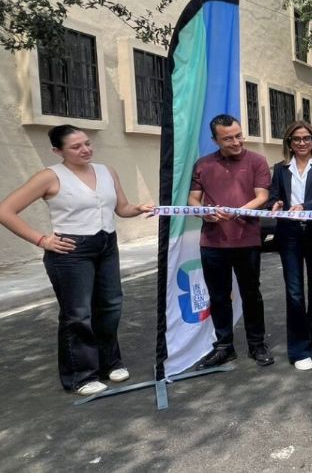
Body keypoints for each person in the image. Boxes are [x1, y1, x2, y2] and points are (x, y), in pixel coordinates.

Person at [0, 125, 154, 395]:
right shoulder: (49, 176)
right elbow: (6, 210)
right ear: (57, 151)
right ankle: (81, 375)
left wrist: (138, 208)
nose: (85, 149)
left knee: (110, 306)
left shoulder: (107, 171)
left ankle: (110, 363)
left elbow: (121, 208)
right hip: (71, 251)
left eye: (87, 143)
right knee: (78, 314)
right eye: (76, 146)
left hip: (106, 244)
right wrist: (42, 240)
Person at [188, 114, 274, 369]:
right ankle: (224, 346)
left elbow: (262, 197)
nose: (236, 142)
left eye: (238, 135)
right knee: (218, 296)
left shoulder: (257, 161)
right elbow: (193, 199)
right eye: (228, 139)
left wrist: (237, 211)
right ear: (215, 140)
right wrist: (204, 211)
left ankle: (257, 344)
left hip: (246, 239)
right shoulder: (203, 165)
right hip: (212, 242)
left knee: (251, 294)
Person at [268, 121, 312, 371]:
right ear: (289, 143)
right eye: (296, 139)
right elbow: (274, 195)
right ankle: (299, 349)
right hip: (289, 234)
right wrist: (276, 203)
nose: (302, 143)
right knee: (294, 292)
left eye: (306, 138)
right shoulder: (280, 168)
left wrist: (304, 207)